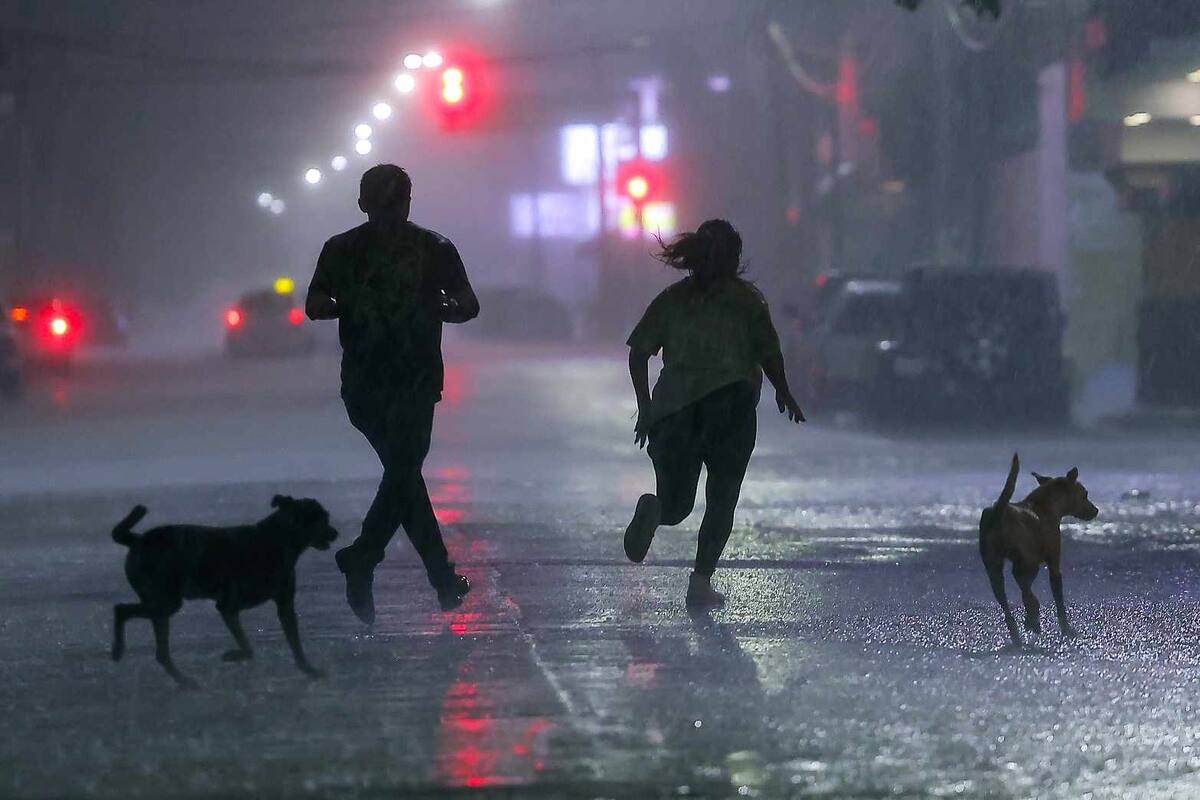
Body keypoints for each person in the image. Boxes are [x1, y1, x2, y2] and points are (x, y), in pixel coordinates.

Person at [306, 164, 480, 622]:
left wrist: (349, 305)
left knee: (403, 477)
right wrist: (443, 308)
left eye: (390, 206)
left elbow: (315, 305)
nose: (385, 215)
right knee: (404, 475)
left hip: (383, 383)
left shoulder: (345, 249)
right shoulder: (432, 247)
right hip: (401, 381)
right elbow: (468, 305)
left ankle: (401, 567)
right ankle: (391, 564)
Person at [623, 219, 804, 609]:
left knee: (678, 503)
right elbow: (768, 353)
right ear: (735, 257)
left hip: (674, 411)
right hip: (731, 410)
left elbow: (638, 353)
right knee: (722, 498)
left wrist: (646, 407)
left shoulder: (672, 299)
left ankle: (655, 513)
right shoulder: (747, 302)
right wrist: (784, 390)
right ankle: (700, 583)